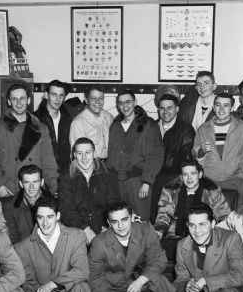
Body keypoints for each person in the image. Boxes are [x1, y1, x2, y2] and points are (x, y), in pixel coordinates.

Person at [87, 201, 175, 292]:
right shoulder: (98, 242)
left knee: (161, 282)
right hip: (112, 288)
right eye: (115, 222)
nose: (120, 226)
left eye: (124, 219)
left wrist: (141, 281)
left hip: (138, 282)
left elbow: (159, 259)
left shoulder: (146, 230)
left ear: (132, 217)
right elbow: (94, 276)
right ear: (108, 223)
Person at [14, 196, 94, 292]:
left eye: (50, 217)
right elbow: (28, 282)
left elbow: (82, 271)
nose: (45, 223)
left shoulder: (76, 235)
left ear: (58, 216)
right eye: (40, 217)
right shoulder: (22, 247)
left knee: (82, 287)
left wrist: (53, 284)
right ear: (35, 217)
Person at [0, 83, 58, 198]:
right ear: (9, 102)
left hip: (34, 191)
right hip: (6, 190)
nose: (19, 103)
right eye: (14, 99)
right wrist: (0, 186)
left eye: (22, 98)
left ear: (28, 100)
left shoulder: (41, 128)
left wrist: (52, 190)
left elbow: (49, 163)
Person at [154, 160, 230, 261]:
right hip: (175, 236)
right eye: (185, 174)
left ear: (200, 174)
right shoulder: (170, 190)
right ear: (181, 177)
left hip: (202, 237)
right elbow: (163, 215)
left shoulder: (212, 191)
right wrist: (158, 232)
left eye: (193, 173)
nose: (189, 178)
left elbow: (224, 217)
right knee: (155, 252)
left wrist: (214, 238)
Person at [107, 90, 164, 220]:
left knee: (140, 218)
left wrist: (147, 182)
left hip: (138, 181)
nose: (125, 106)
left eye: (128, 102)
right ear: (118, 106)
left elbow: (155, 155)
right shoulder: (115, 126)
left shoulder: (148, 124)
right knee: (121, 218)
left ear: (135, 103)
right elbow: (111, 154)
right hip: (118, 181)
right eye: (121, 103)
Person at [58, 138, 120, 245]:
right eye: (79, 153)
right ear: (74, 155)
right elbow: (66, 209)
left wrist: (107, 226)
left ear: (94, 153)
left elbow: (113, 203)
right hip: (77, 227)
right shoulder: (66, 178)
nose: (84, 158)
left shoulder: (107, 174)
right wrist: (85, 228)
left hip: (102, 225)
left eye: (88, 152)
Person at [193, 92, 243, 198]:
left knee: (235, 213)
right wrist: (201, 152)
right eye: (218, 105)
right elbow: (194, 154)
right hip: (209, 181)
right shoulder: (203, 129)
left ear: (232, 108)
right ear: (213, 107)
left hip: (235, 181)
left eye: (226, 105)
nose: (221, 109)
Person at [150, 93, 195, 222]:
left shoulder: (186, 129)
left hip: (173, 180)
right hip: (152, 179)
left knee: (169, 220)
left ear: (177, 109)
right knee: (153, 218)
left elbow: (187, 159)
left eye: (169, 108)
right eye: (162, 108)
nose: (165, 111)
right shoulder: (152, 127)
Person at [1, 165, 52, 244]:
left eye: (35, 182)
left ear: (42, 182)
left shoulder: (53, 204)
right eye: (27, 182)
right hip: (22, 252)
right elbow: (12, 240)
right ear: (21, 184)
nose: (31, 187)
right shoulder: (10, 207)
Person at [34, 79, 72, 175]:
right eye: (54, 94)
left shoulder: (68, 119)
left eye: (61, 95)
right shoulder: (34, 120)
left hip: (64, 174)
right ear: (46, 95)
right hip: (42, 173)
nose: (58, 99)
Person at [69, 85, 113, 161]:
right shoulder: (78, 123)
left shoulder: (108, 117)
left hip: (110, 165)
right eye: (93, 99)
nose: (98, 102)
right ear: (86, 100)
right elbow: (77, 156)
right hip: (90, 167)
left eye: (101, 98)